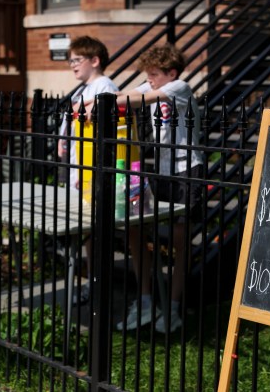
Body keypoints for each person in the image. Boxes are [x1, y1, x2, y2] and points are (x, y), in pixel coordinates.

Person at [115, 43, 203, 333]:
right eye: (148, 74)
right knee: (137, 228)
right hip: (160, 171)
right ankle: (145, 300)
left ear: (171, 73)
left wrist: (119, 98)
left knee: (179, 241)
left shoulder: (180, 87)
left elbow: (143, 97)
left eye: (154, 74)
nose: (149, 78)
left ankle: (174, 308)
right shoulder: (155, 83)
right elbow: (129, 96)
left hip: (186, 169)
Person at [57, 35, 119, 305]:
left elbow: (96, 123)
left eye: (77, 60)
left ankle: (97, 284)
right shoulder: (82, 89)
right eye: (70, 60)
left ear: (95, 60)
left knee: (93, 228)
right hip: (77, 168)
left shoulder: (103, 85)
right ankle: (93, 282)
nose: (72, 65)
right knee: (87, 231)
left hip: (91, 170)